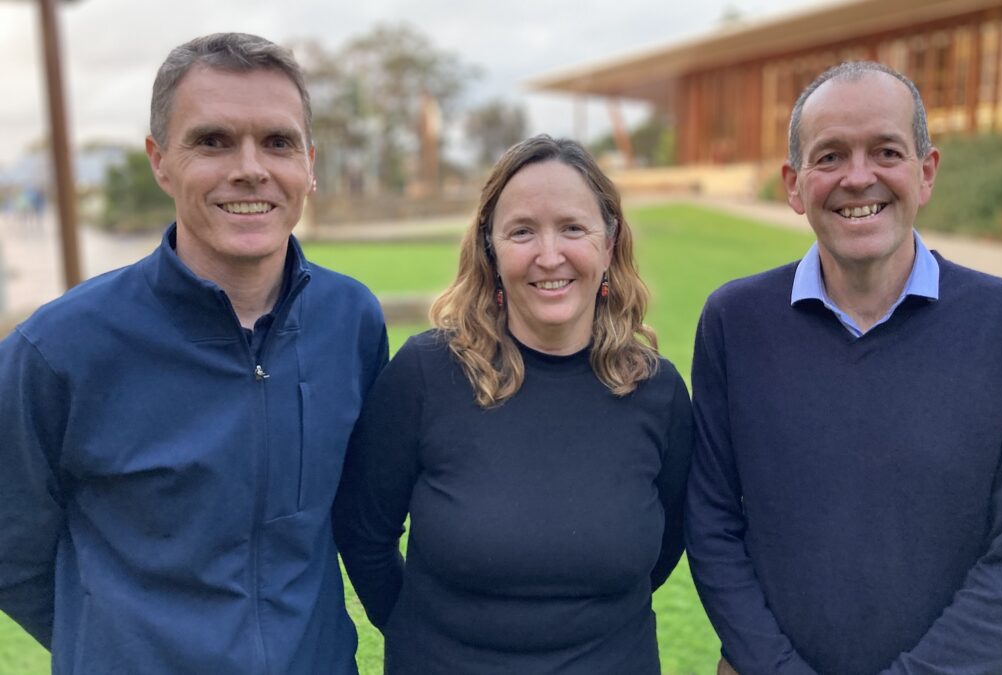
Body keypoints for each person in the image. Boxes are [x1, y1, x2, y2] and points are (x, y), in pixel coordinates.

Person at [0, 33, 388, 674]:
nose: (250, 168)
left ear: (310, 164)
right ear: (160, 161)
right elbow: (11, 551)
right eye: (212, 141)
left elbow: (360, 518)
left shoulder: (350, 322)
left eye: (278, 142)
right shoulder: (58, 350)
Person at [686, 61, 1002, 675]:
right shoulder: (736, 322)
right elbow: (710, 521)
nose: (858, 178)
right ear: (794, 184)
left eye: (886, 151)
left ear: (926, 173)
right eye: (831, 156)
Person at [333, 135, 692, 673]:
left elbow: (669, 544)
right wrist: (421, 636)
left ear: (609, 243)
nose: (550, 256)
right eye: (523, 231)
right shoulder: (425, 375)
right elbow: (364, 532)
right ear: (491, 249)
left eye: (573, 228)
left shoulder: (656, 391)